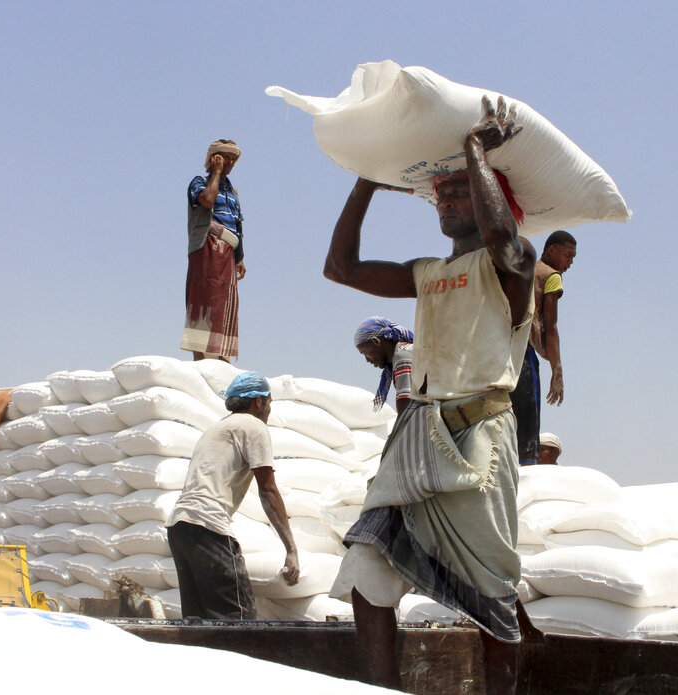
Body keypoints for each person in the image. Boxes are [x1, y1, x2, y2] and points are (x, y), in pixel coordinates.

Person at [324, 95, 539, 694]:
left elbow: (501, 240)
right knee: (367, 561)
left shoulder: (516, 264)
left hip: (479, 447)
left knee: (490, 591)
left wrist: (475, 148)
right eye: (440, 195)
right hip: (419, 436)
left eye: (462, 191)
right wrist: (367, 182)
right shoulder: (425, 272)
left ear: (492, 197)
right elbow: (339, 268)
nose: (446, 200)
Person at [165, 371, 299, 619]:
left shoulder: (217, 428)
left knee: (199, 623)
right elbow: (268, 489)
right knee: (237, 620)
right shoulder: (253, 426)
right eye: (269, 402)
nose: (269, 409)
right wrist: (291, 549)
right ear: (258, 401)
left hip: (179, 527)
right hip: (208, 527)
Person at [511, 231, 576, 465]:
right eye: (568, 255)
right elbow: (551, 326)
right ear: (551, 251)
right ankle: (527, 465)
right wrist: (557, 371)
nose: (570, 262)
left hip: (503, 347)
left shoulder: (528, 271)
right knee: (529, 420)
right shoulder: (552, 276)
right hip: (523, 349)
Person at [181, 139, 247, 362]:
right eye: (224, 157)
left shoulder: (232, 190)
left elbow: (237, 223)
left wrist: (239, 257)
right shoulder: (200, 182)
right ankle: (201, 362)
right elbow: (207, 201)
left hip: (228, 252)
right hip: (208, 246)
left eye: (233, 158)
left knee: (224, 307)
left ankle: (221, 363)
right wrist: (216, 172)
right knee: (205, 302)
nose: (229, 161)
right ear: (213, 158)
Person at [353, 316, 414, 412]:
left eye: (365, 352)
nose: (367, 360)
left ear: (376, 341)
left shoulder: (403, 356)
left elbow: (406, 409)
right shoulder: (407, 352)